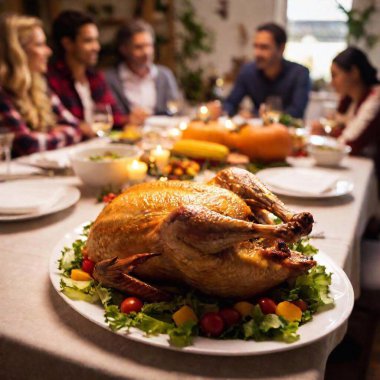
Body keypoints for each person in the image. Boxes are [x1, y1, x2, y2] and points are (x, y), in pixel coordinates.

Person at [0, 13, 88, 157]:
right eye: (40, 45)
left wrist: (50, 135)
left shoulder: (39, 85)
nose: (48, 51)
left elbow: (77, 127)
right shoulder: (2, 92)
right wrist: (58, 133)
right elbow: (27, 144)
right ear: (18, 51)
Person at [47, 10, 125, 128]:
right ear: (67, 43)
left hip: (97, 143)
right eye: (88, 41)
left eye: (96, 40)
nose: (97, 47)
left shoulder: (94, 76)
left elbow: (115, 116)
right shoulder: (52, 80)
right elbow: (59, 125)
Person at [312, 47, 380, 178]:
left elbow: (350, 143)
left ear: (354, 72)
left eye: (335, 75)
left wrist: (330, 131)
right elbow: (339, 126)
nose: (332, 83)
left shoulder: (375, 98)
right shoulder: (351, 99)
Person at [220, 22, 310, 118]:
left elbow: (296, 112)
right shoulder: (248, 72)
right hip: (257, 131)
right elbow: (230, 103)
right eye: (255, 46)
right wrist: (222, 110)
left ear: (281, 48)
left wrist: (256, 115)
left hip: (288, 131)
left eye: (264, 47)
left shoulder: (299, 74)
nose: (257, 53)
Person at [105, 20, 179, 125]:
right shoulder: (110, 79)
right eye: (139, 47)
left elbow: (176, 111)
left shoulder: (164, 75)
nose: (146, 52)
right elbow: (107, 117)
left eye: (149, 45)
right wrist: (128, 119)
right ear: (124, 49)